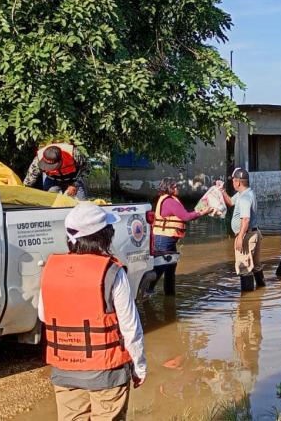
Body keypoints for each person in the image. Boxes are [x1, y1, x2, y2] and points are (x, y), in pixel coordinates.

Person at [38, 202, 147, 420]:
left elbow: (43, 315)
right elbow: (130, 328)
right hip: (106, 372)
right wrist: (139, 366)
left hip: (65, 370)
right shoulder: (112, 272)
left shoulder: (51, 270)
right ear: (104, 236)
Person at [149, 177, 213, 296]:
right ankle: (147, 291)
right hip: (164, 240)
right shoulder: (169, 201)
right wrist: (202, 212)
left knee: (168, 268)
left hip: (164, 239)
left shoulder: (166, 199)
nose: (178, 188)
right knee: (160, 268)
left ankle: (168, 296)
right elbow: (186, 217)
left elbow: (184, 214)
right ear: (169, 188)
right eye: (175, 186)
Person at [220, 168, 263, 292]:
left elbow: (245, 220)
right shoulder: (245, 193)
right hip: (253, 233)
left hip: (246, 235)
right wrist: (222, 191)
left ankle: (247, 301)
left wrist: (240, 237)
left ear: (238, 182)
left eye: (233, 180)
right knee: (255, 266)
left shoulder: (244, 198)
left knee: (244, 268)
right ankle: (261, 291)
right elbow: (230, 202)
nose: (232, 183)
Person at [24, 142, 90, 199]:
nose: (51, 168)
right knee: (50, 201)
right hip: (52, 180)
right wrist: (24, 192)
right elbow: (30, 179)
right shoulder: (38, 159)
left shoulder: (74, 154)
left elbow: (86, 169)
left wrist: (74, 185)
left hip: (74, 179)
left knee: (81, 204)